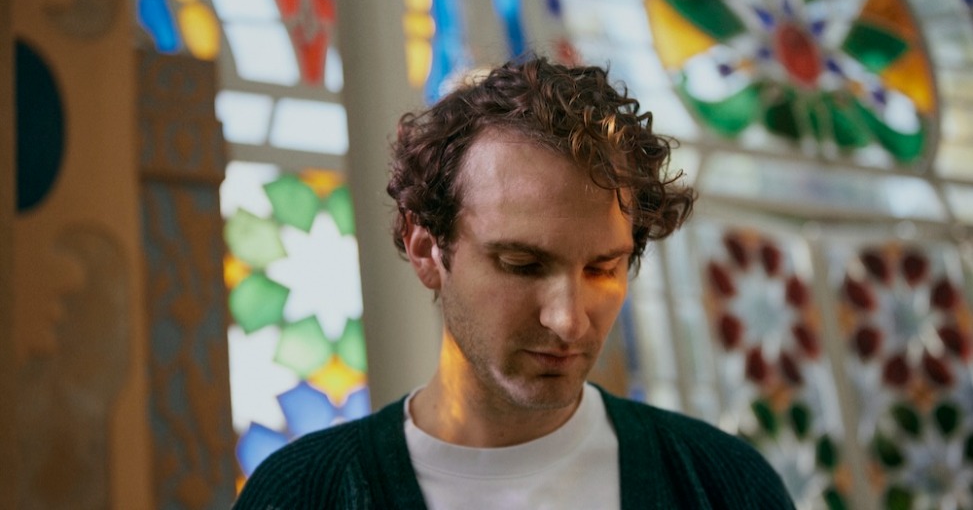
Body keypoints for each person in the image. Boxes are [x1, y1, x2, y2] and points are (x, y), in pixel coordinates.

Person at [234, 56, 795, 509]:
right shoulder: (304, 494)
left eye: (602, 269)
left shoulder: (722, 485)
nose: (568, 320)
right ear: (426, 248)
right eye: (522, 265)